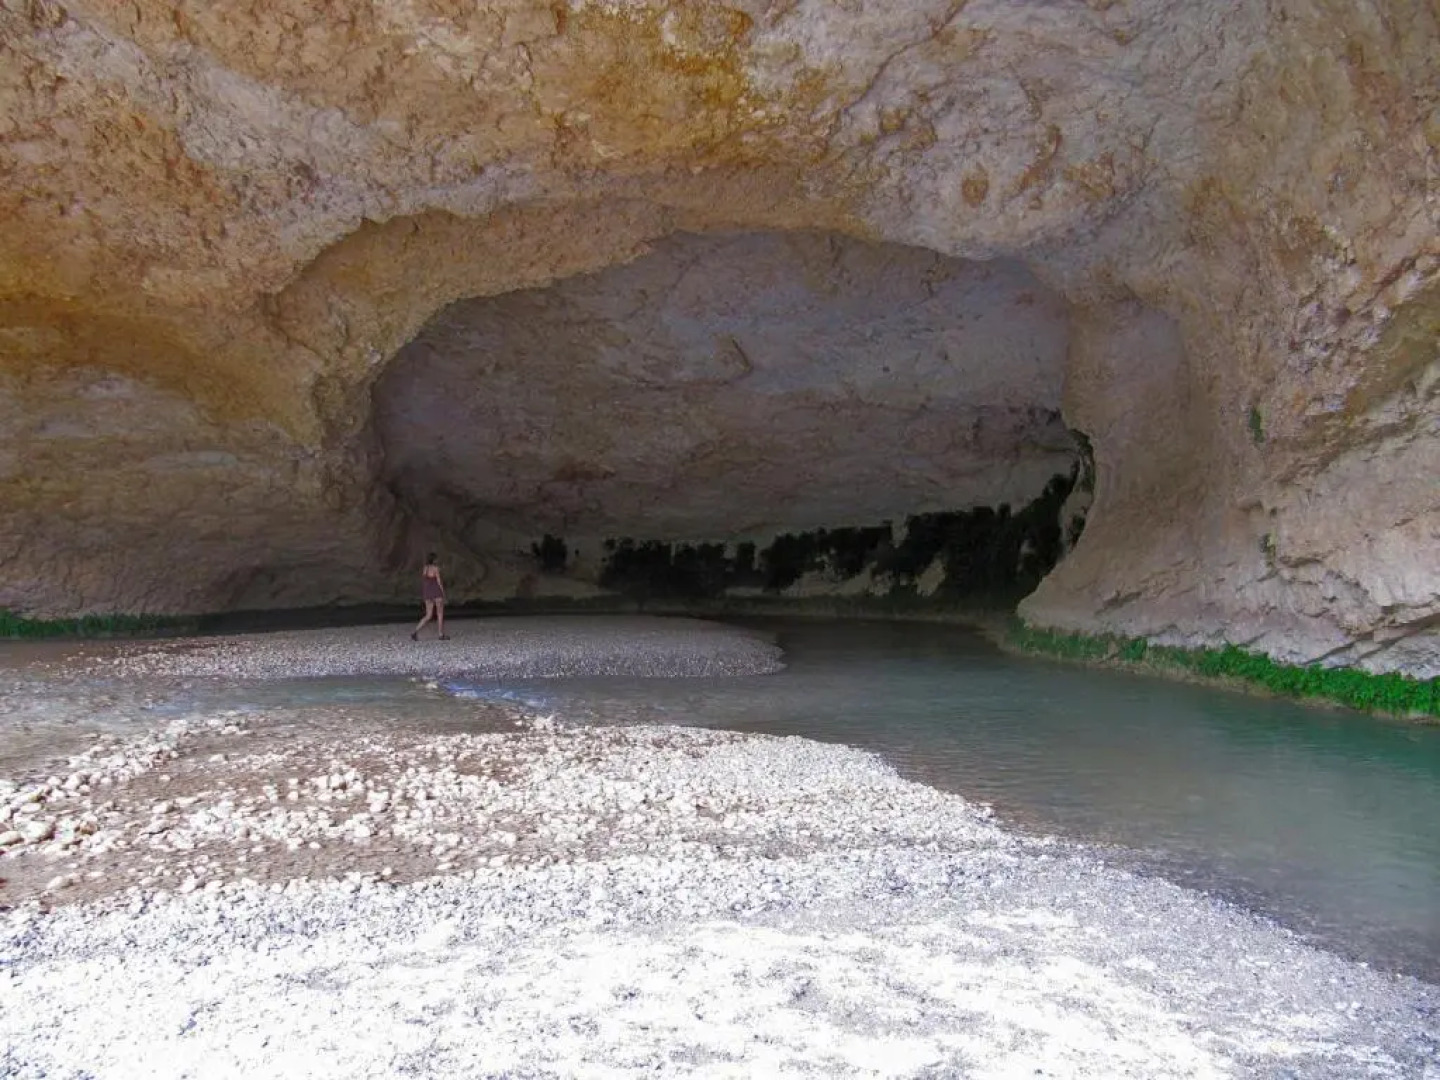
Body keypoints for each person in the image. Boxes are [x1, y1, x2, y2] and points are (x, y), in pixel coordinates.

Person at [411, 552, 448, 641]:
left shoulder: (425, 568)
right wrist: (443, 593)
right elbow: (439, 582)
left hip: (428, 593)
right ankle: (440, 634)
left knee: (428, 615)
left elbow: (424, 582)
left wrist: (425, 593)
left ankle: (415, 631)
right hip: (436, 592)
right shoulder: (436, 569)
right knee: (440, 614)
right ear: (434, 559)